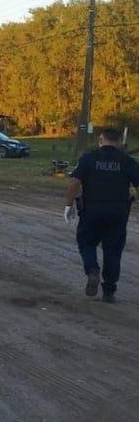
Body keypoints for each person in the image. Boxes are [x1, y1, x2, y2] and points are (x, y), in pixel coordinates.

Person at [63, 127, 139, 303]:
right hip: (118, 213)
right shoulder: (128, 161)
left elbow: (74, 182)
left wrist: (69, 205)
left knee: (86, 243)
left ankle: (92, 270)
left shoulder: (88, 159)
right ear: (120, 142)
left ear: (100, 140)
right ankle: (109, 291)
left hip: (91, 211)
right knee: (113, 251)